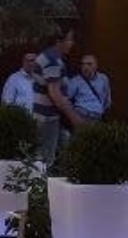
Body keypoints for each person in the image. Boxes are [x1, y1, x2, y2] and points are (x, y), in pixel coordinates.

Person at [32, 27, 84, 168]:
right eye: (69, 39)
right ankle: (40, 188)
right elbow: (55, 94)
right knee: (45, 161)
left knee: (66, 153)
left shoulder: (48, 57)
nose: (72, 43)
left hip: (50, 117)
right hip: (48, 117)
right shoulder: (52, 61)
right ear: (58, 41)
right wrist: (75, 118)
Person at [67, 54, 112, 122]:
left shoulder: (103, 78)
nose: (85, 67)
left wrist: (101, 110)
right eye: (83, 64)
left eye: (89, 64)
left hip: (98, 117)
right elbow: (67, 100)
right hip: (81, 116)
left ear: (96, 66)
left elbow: (107, 97)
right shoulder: (75, 81)